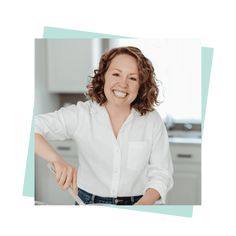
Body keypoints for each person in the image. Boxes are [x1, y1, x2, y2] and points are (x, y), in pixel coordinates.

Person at [35, 46, 174, 205]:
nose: (123, 84)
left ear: (141, 85)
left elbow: (161, 174)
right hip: (87, 202)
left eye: (133, 78)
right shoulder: (82, 114)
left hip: (139, 203)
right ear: (103, 76)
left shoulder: (152, 121)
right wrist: (56, 159)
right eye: (116, 74)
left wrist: (141, 206)